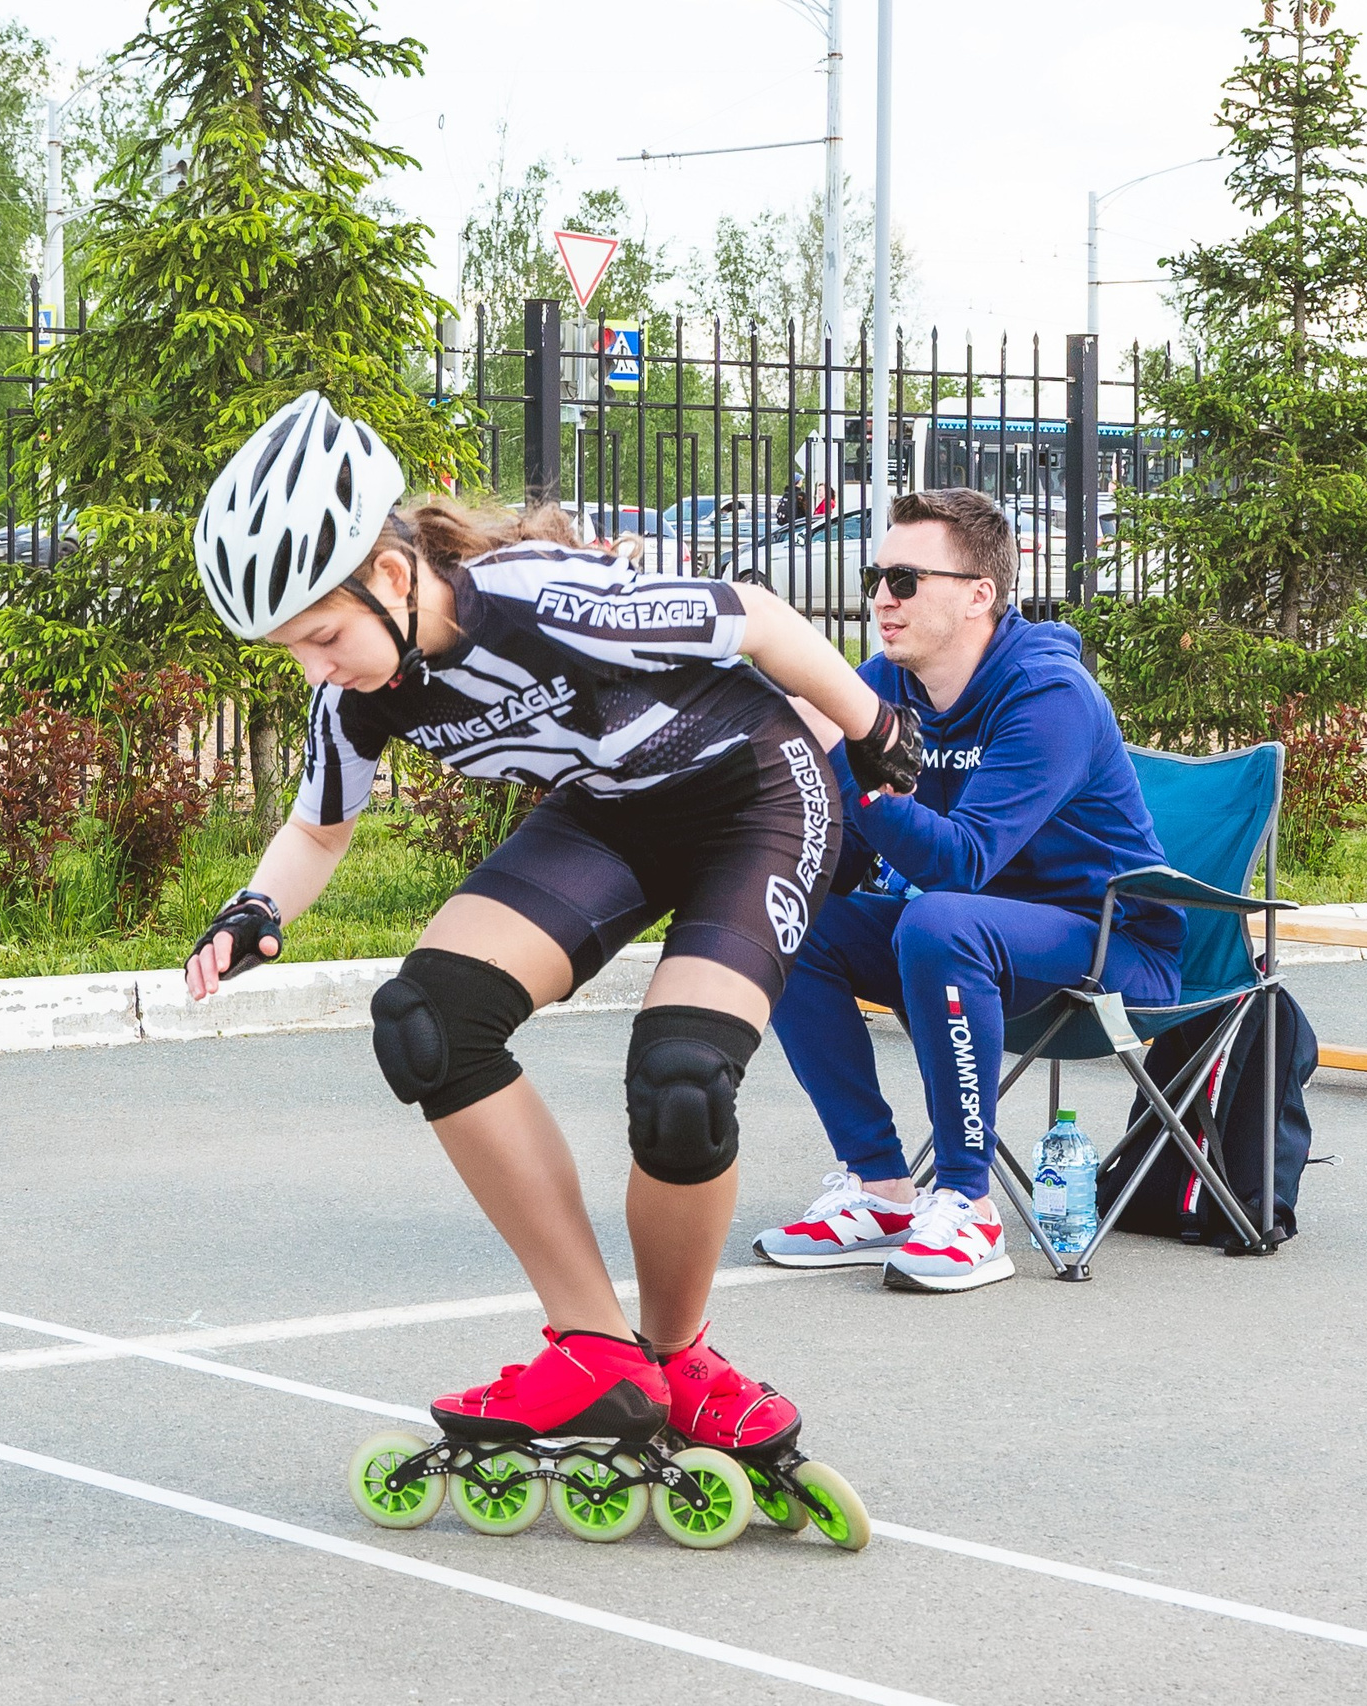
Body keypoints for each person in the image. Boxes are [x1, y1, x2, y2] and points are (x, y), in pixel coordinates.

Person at [187, 392, 916, 1541]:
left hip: (754, 800)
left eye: (321, 635)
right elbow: (318, 830)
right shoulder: (360, 697)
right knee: (430, 1016)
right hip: (611, 816)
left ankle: (680, 1360)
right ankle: (594, 1348)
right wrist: (255, 906)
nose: (315, 667)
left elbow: (762, 620)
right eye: (290, 650)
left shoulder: (535, 595)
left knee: (680, 1081)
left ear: (390, 573)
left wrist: (874, 731)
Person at [753, 488, 1181, 1291]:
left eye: (906, 579)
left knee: (942, 920)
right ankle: (881, 1189)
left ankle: (967, 1204)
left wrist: (855, 764)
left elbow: (961, 864)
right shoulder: (887, 684)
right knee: (789, 921)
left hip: (1109, 947)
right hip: (972, 947)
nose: (883, 597)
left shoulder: (1047, 694)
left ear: (979, 594)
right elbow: (846, 859)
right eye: (877, 576)